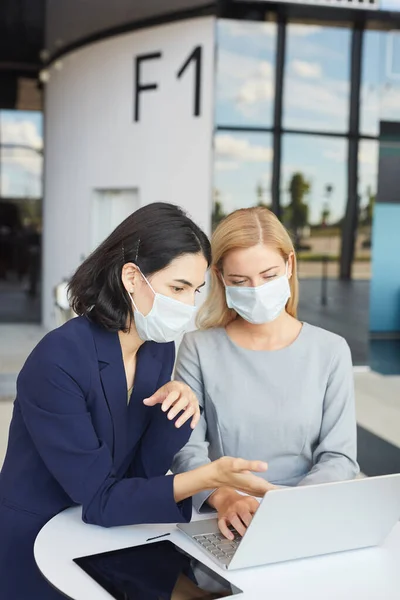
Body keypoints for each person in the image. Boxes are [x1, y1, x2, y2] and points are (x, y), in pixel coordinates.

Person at [0, 203, 271, 600]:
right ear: (131, 277)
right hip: (38, 541)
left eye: (195, 292)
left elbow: (139, 473)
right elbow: (100, 498)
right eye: (177, 288)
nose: (187, 305)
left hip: (104, 534)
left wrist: (177, 409)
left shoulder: (156, 348)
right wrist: (210, 477)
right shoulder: (58, 359)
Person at [172, 206, 359, 540]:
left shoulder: (330, 350)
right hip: (226, 517)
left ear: (289, 266)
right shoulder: (198, 348)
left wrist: (287, 507)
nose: (256, 289)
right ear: (220, 278)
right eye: (240, 281)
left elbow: (339, 456)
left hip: (306, 514)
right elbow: (186, 450)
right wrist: (224, 496)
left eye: (269, 276)